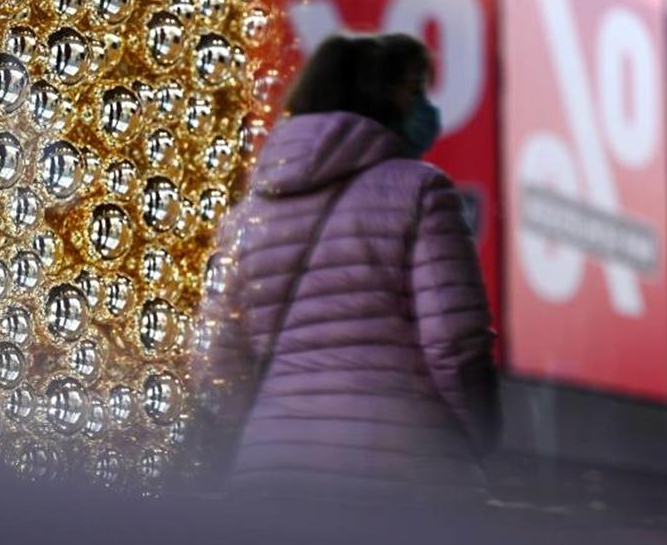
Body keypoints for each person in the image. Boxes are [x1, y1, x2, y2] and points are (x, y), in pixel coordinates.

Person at [198, 33, 501, 505]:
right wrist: (478, 435)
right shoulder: (420, 191)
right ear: (377, 96)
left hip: (271, 481)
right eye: (414, 89)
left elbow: (216, 358)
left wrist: (271, 427)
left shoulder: (247, 216)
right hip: (403, 474)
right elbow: (455, 343)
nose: (424, 106)